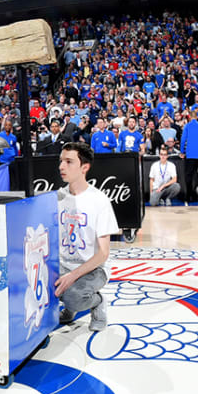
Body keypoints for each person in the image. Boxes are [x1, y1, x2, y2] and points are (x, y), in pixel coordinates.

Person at [54, 142, 116, 332]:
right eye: (61, 161)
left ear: (84, 167)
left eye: (69, 162)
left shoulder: (99, 200)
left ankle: (97, 302)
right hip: (63, 265)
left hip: (93, 269)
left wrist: (72, 276)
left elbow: (103, 254)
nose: (61, 166)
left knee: (72, 295)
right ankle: (71, 306)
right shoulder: (57, 197)